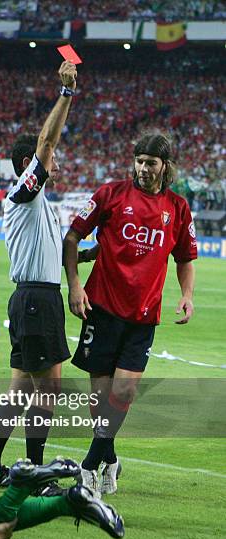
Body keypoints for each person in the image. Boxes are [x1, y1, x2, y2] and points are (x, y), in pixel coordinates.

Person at [63, 133, 197, 497]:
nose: (142, 168)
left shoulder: (178, 208)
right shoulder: (111, 194)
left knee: (124, 390)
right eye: (138, 160)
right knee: (99, 396)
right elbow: (72, 237)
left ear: (165, 167)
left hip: (143, 315)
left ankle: (89, 465)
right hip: (102, 308)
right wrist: (75, 286)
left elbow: (184, 257)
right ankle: (110, 456)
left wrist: (187, 295)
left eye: (150, 163)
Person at [0, 61, 96, 488]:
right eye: (46, 160)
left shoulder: (37, 204)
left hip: (33, 297)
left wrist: (87, 255)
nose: (55, 161)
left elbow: (46, 253)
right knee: (47, 391)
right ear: (30, 165)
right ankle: (33, 469)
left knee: (18, 393)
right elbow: (47, 141)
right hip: (36, 300)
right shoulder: (25, 194)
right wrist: (66, 95)